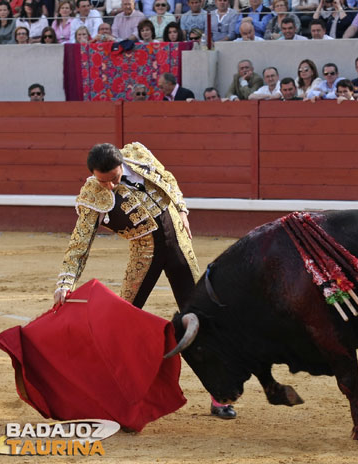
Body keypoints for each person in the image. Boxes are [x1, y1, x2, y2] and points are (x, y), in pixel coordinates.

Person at [53, 142, 237, 421]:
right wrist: (66, 281)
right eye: (103, 181)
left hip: (179, 248)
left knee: (200, 320)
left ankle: (219, 393)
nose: (110, 187)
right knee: (120, 323)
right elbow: (80, 241)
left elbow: (168, 178)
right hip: (144, 257)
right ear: (93, 175)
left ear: (121, 165)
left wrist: (183, 210)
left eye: (113, 178)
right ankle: (111, 392)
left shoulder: (138, 155)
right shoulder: (93, 193)